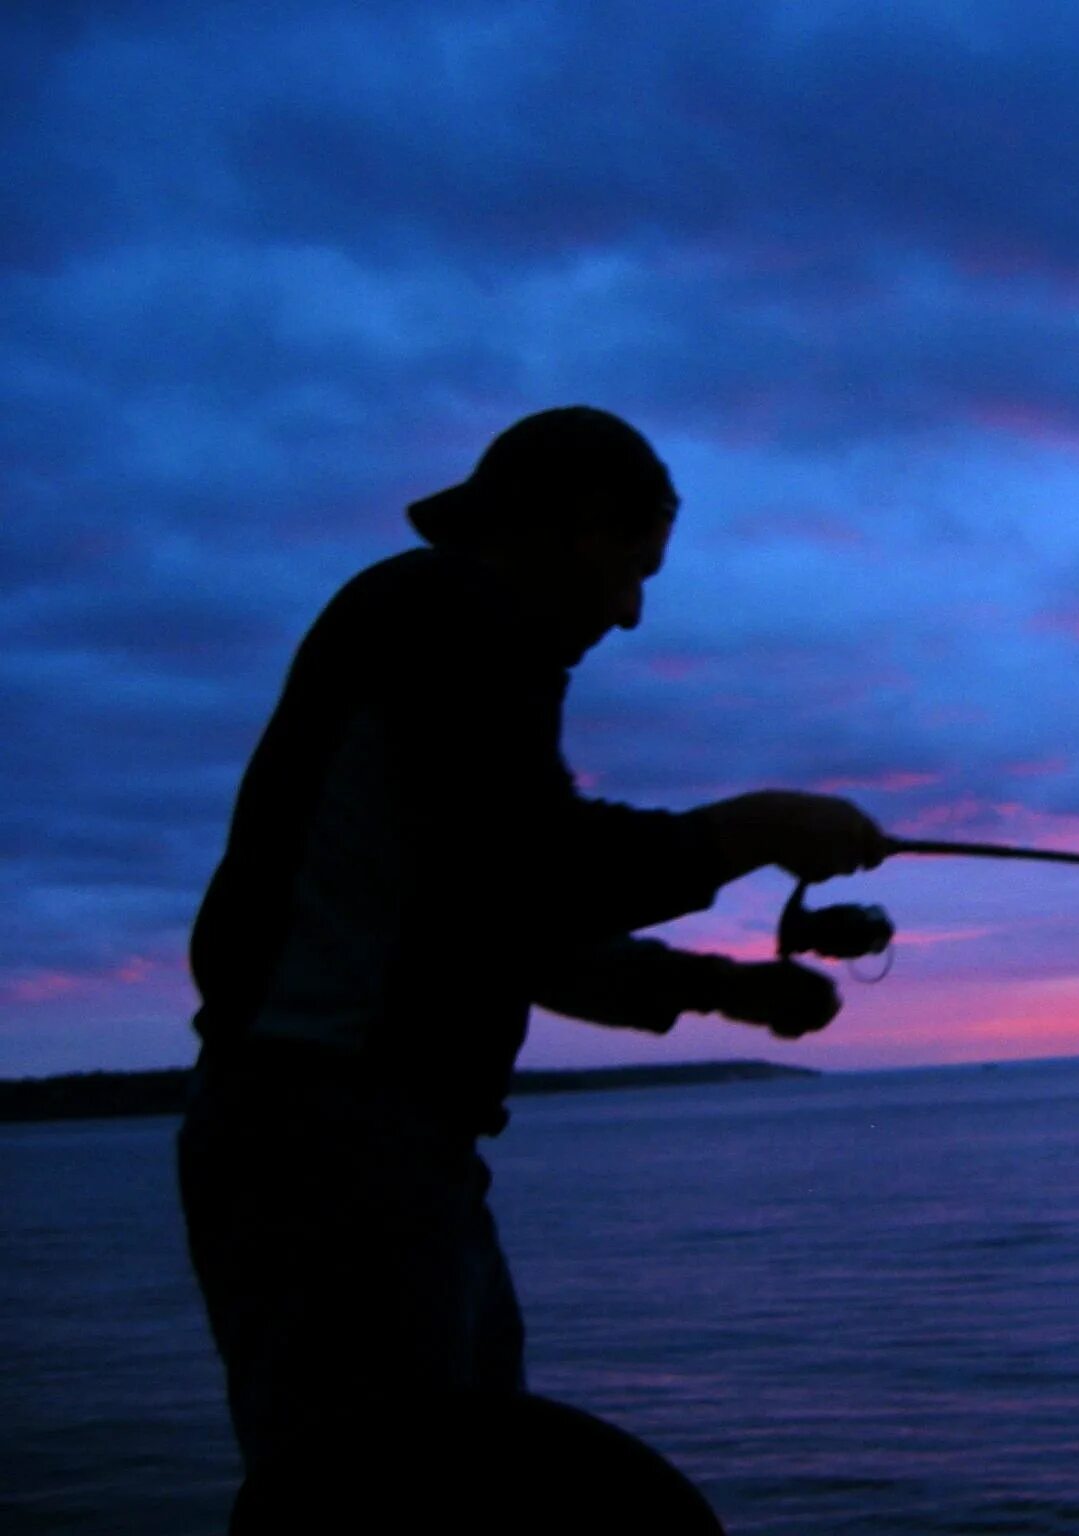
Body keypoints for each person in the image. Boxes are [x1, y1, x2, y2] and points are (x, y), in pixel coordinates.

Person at [177, 405, 886, 1531]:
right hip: (329, 1146)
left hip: (390, 1152)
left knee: (455, 1488)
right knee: (380, 1498)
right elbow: (537, 871)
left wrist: (722, 989)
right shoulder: (444, 612)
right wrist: (749, 827)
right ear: (573, 526)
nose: (632, 612)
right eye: (630, 570)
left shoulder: (451, 637)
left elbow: (491, 918)